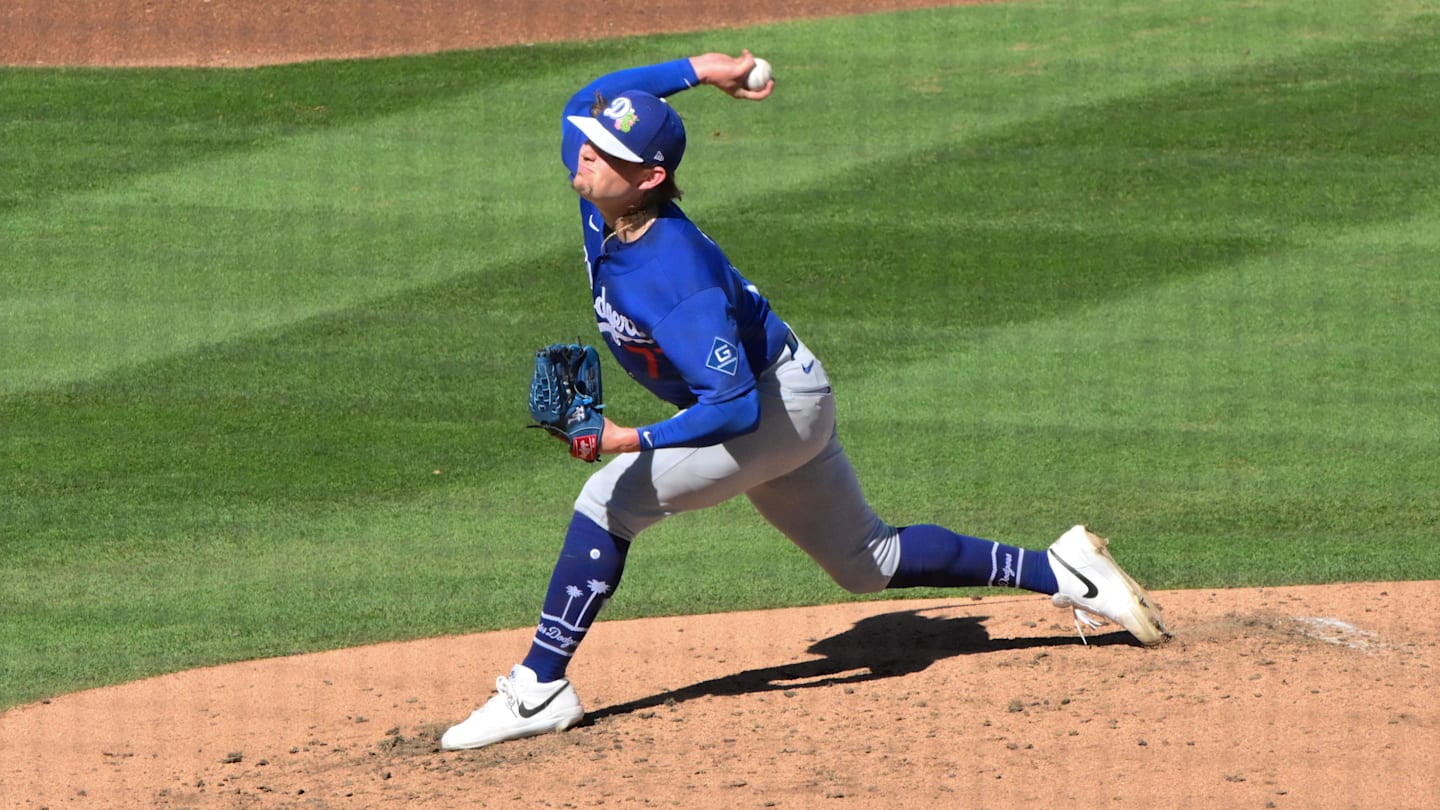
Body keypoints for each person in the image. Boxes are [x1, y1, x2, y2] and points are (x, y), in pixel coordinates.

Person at [439, 50, 1169, 751]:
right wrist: (702, 70)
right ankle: (1066, 570)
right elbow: (590, 98)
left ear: (650, 177)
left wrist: (630, 439)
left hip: (770, 408)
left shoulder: (675, 275)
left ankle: (538, 687)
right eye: (589, 144)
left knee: (609, 503)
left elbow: (733, 409)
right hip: (789, 390)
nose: (585, 153)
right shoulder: (599, 174)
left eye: (605, 151)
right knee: (866, 562)